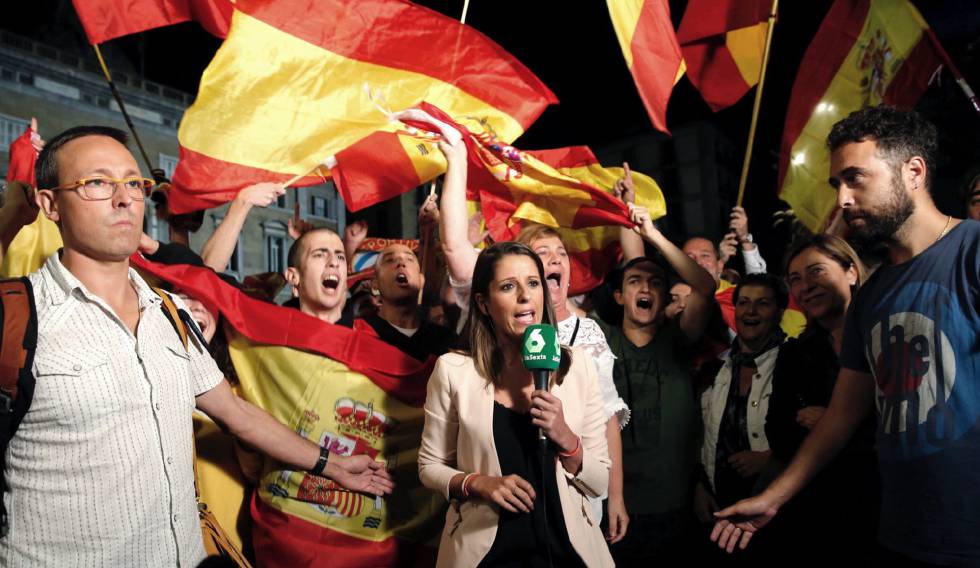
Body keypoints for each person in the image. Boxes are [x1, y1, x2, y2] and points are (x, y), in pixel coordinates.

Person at [0, 125, 392, 566]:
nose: (125, 198)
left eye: (133, 183)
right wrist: (8, 220)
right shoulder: (16, 318)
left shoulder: (170, 315)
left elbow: (237, 414)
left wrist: (332, 465)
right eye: (96, 183)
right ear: (51, 204)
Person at [711, 106, 980, 565]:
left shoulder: (972, 250)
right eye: (838, 184)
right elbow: (840, 416)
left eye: (856, 178)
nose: (844, 199)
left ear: (913, 171)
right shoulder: (872, 297)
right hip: (900, 534)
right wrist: (774, 497)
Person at [437, 137, 631, 541]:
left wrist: (612, 493)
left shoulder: (584, 343)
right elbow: (455, 247)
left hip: (574, 516)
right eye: (542, 254)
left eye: (560, 253)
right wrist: (457, 160)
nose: (554, 261)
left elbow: (606, 425)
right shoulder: (471, 359)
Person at [418, 241, 613, 567]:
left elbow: (598, 482)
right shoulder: (454, 371)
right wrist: (478, 483)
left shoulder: (578, 366)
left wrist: (566, 440)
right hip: (487, 555)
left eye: (533, 283)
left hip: (568, 553)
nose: (525, 296)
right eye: (509, 286)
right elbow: (429, 467)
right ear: (482, 302)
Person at [601, 204, 716, 565]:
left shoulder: (678, 339)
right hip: (615, 510)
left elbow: (705, 285)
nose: (645, 287)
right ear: (619, 296)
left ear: (666, 298)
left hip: (679, 508)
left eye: (655, 282)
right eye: (634, 282)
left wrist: (651, 233)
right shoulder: (599, 340)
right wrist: (623, 215)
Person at [764, 234, 879, 561]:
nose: (806, 286)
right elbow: (780, 435)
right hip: (819, 508)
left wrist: (830, 419)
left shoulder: (887, 337)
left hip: (887, 503)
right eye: (796, 279)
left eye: (817, 271)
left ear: (852, 272)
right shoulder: (794, 355)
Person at [693, 273, 787, 531]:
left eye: (763, 303)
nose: (751, 311)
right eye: (744, 302)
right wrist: (700, 484)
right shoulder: (716, 368)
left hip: (773, 508)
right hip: (718, 509)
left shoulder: (793, 363)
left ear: (779, 312)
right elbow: (699, 435)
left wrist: (770, 459)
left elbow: (814, 435)